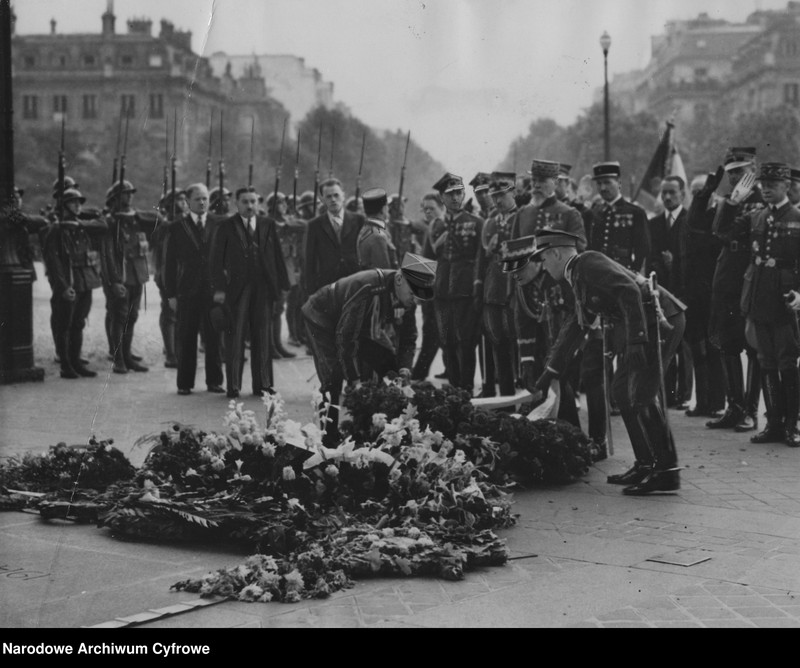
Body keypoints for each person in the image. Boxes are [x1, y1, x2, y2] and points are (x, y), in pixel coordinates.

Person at [530, 229, 686, 495]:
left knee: (640, 393)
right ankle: (647, 463)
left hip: (658, 323)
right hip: (644, 324)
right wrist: (551, 371)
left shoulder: (587, 263)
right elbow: (576, 327)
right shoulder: (578, 273)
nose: (542, 266)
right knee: (622, 392)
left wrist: (636, 338)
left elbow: (628, 291)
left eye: (543, 259)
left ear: (556, 253)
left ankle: (666, 471)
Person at [302, 254, 436, 446]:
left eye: (419, 297)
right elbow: (345, 337)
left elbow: (408, 338)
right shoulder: (369, 288)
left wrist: (404, 370)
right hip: (321, 317)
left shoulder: (406, 298)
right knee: (333, 375)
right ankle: (328, 439)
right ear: (399, 279)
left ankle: (388, 426)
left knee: (388, 364)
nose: (416, 300)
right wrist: (353, 380)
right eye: (414, 293)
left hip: (353, 323)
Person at [724, 163, 800, 447]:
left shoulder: (796, 217)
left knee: (787, 361)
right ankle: (774, 423)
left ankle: (792, 424)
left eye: (773, 183)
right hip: (758, 296)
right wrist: (733, 203)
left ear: (786, 186)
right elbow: (724, 233)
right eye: (763, 183)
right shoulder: (756, 216)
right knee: (766, 361)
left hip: (784, 298)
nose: (766, 188)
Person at [706, 147, 765, 432]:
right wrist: (731, 204)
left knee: (753, 347)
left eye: (739, 172)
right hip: (729, 277)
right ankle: (735, 406)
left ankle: (751, 411)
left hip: (750, 279)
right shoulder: (732, 199)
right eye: (730, 174)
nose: (733, 178)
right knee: (729, 345)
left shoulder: (762, 199)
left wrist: (736, 205)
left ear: (752, 169)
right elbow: (717, 230)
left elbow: (729, 232)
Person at [210, 187, 289, 399]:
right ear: (237, 203)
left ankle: (263, 384)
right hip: (237, 289)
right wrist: (218, 290)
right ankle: (233, 386)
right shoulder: (226, 226)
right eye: (245, 201)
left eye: (253, 201)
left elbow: (278, 257)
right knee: (235, 336)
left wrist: (282, 285)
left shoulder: (267, 224)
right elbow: (216, 261)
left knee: (263, 336)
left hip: (263, 287)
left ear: (259, 203)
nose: (250, 205)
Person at [500, 235, 581, 429]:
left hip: (571, 340)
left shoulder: (557, 278)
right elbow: (524, 326)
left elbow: (571, 319)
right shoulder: (522, 287)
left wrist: (556, 360)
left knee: (560, 383)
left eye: (519, 269)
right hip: (544, 343)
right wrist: (527, 364)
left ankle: (570, 430)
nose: (515, 275)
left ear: (536, 263)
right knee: (537, 381)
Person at [425, 172, 484, 393]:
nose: (455, 198)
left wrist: (479, 288)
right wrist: (421, 296)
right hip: (441, 293)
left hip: (466, 291)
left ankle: (466, 390)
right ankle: (454, 388)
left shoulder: (477, 223)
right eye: (450, 194)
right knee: (447, 342)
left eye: (459, 192)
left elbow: (481, 258)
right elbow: (425, 260)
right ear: (441, 197)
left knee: (466, 343)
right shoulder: (434, 226)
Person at [163, 183, 224, 395]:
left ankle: (214, 381)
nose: (202, 202)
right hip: (187, 290)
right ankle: (184, 383)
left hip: (213, 290)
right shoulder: (177, 227)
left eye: (205, 198)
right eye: (197, 199)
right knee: (186, 337)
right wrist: (170, 294)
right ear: (188, 202)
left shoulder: (218, 223)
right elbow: (169, 264)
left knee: (213, 337)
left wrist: (223, 288)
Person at [42, 188, 107, 379]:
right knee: (65, 324)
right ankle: (66, 365)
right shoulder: (56, 230)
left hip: (84, 282)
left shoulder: (80, 226)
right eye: (73, 202)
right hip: (69, 284)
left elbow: (103, 225)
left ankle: (76, 361)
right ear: (63, 206)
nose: (78, 205)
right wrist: (62, 287)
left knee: (78, 323)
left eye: (80, 202)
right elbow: (53, 263)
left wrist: (79, 218)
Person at [100, 179, 158, 374]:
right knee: (119, 317)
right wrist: (115, 281)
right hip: (120, 276)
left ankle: (127, 355)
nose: (130, 196)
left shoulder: (134, 218)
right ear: (114, 198)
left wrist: (133, 215)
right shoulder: (109, 222)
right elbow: (107, 255)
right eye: (125, 193)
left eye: (131, 193)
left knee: (131, 317)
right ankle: (118, 360)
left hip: (136, 274)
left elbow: (158, 219)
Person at [681, 174, 725, 419]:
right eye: (696, 192)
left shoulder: (717, 218)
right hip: (693, 293)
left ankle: (718, 401)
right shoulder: (691, 218)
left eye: (705, 191)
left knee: (714, 348)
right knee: (697, 348)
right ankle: (703, 401)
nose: (701, 195)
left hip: (713, 292)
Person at [648, 176, 693, 410]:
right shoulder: (655, 223)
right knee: (664, 342)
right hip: (662, 290)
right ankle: (667, 392)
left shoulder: (689, 221)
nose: (667, 197)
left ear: (682, 193)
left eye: (672, 193)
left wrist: (674, 264)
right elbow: (651, 253)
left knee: (684, 344)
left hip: (684, 290)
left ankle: (684, 394)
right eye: (663, 193)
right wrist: (660, 265)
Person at [474, 172, 519, 397]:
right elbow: (482, 258)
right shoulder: (490, 221)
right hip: (493, 290)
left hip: (516, 289)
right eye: (495, 195)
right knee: (496, 343)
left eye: (502, 194)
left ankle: (526, 397)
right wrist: (479, 287)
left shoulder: (523, 218)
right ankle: (507, 400)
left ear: (514, 192)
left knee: (519, 345)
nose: (498, 200)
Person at [303, 178, 365, 297]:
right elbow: (309, 261)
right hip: (327, 285)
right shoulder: (314, 225)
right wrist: (311, 292)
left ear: (343, 196)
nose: (333, 200)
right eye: (328, 196)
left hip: (355, 282)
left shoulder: (358, 220)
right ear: (322, 199)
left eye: (336, 195)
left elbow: (365, 253)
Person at [411, 192, 446, 381]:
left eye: (431, 208)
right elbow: (423, 259)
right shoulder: (430, 228)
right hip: (430, 289)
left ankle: (420, 372)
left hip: (443, 288)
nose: (427, 212)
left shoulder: (447, 226)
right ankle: (421, 371)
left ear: (442, 207)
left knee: (435, 332)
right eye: (425, 209)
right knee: (430, 330)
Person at [152, 188, 188, 369]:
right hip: (168, 273)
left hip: (186, 273)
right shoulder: (163, 224)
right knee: (169, 313)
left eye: (184, 199)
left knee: (182, 314)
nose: (182, 202)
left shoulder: (186, 221)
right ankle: (171, 353)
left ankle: (176, 348)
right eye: (178, 200)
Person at [266, 191, 297, 360]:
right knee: (272, 309)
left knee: (278, 309)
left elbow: (300, 225)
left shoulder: (287, 222)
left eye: (285, 203)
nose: (284, 206)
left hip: (287, 267)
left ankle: (277, 344)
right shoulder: (269, 223)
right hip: (275, 268)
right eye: (280, 203)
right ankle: (270, 345)